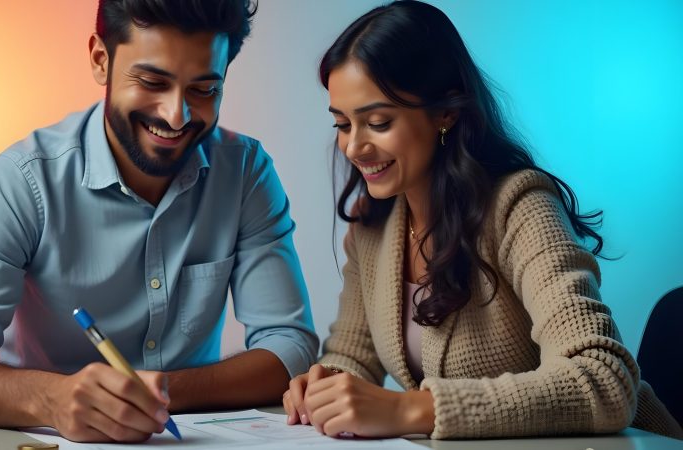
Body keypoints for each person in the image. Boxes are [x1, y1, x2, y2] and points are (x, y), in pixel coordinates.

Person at [0, 0, 318, 443]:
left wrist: (155, 393)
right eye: (153, 81)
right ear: (102, 60)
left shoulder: (246, 172)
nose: (176, 116)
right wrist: (52, 399)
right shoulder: (22, 181)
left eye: (204, 90)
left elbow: (289, 348)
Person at [282, 0, 683, 440]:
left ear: (446, 112)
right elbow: (352, 354)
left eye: (377, 122)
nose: (354, 148)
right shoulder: (373, 224)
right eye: (342, 124)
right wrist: (324, 385)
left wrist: (414, 409)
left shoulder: (519, 206)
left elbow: (603, 380)